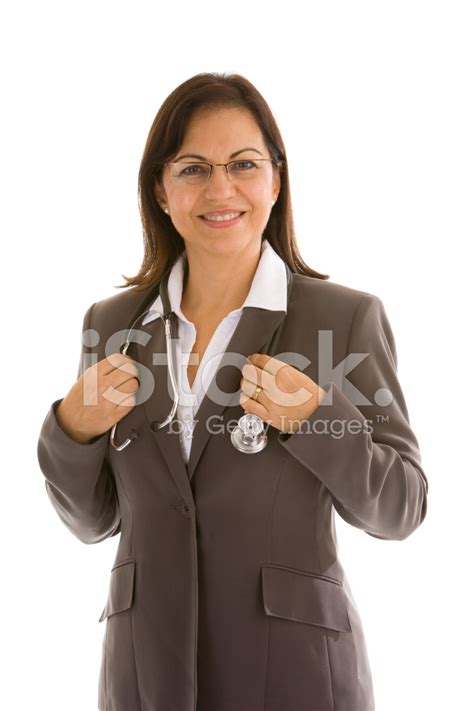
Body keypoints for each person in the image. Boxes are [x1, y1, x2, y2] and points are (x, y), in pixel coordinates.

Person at [37, 72, 429, 711]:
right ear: (161, 190)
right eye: (192, 168)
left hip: (294, 674)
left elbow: (401, 508)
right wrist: (70, 431)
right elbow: (93, 521)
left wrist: (315, 419)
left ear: (276, 180)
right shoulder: (109, 325)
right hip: (146, 673)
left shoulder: (344, 318)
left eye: (243, 164)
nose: (221, 189)